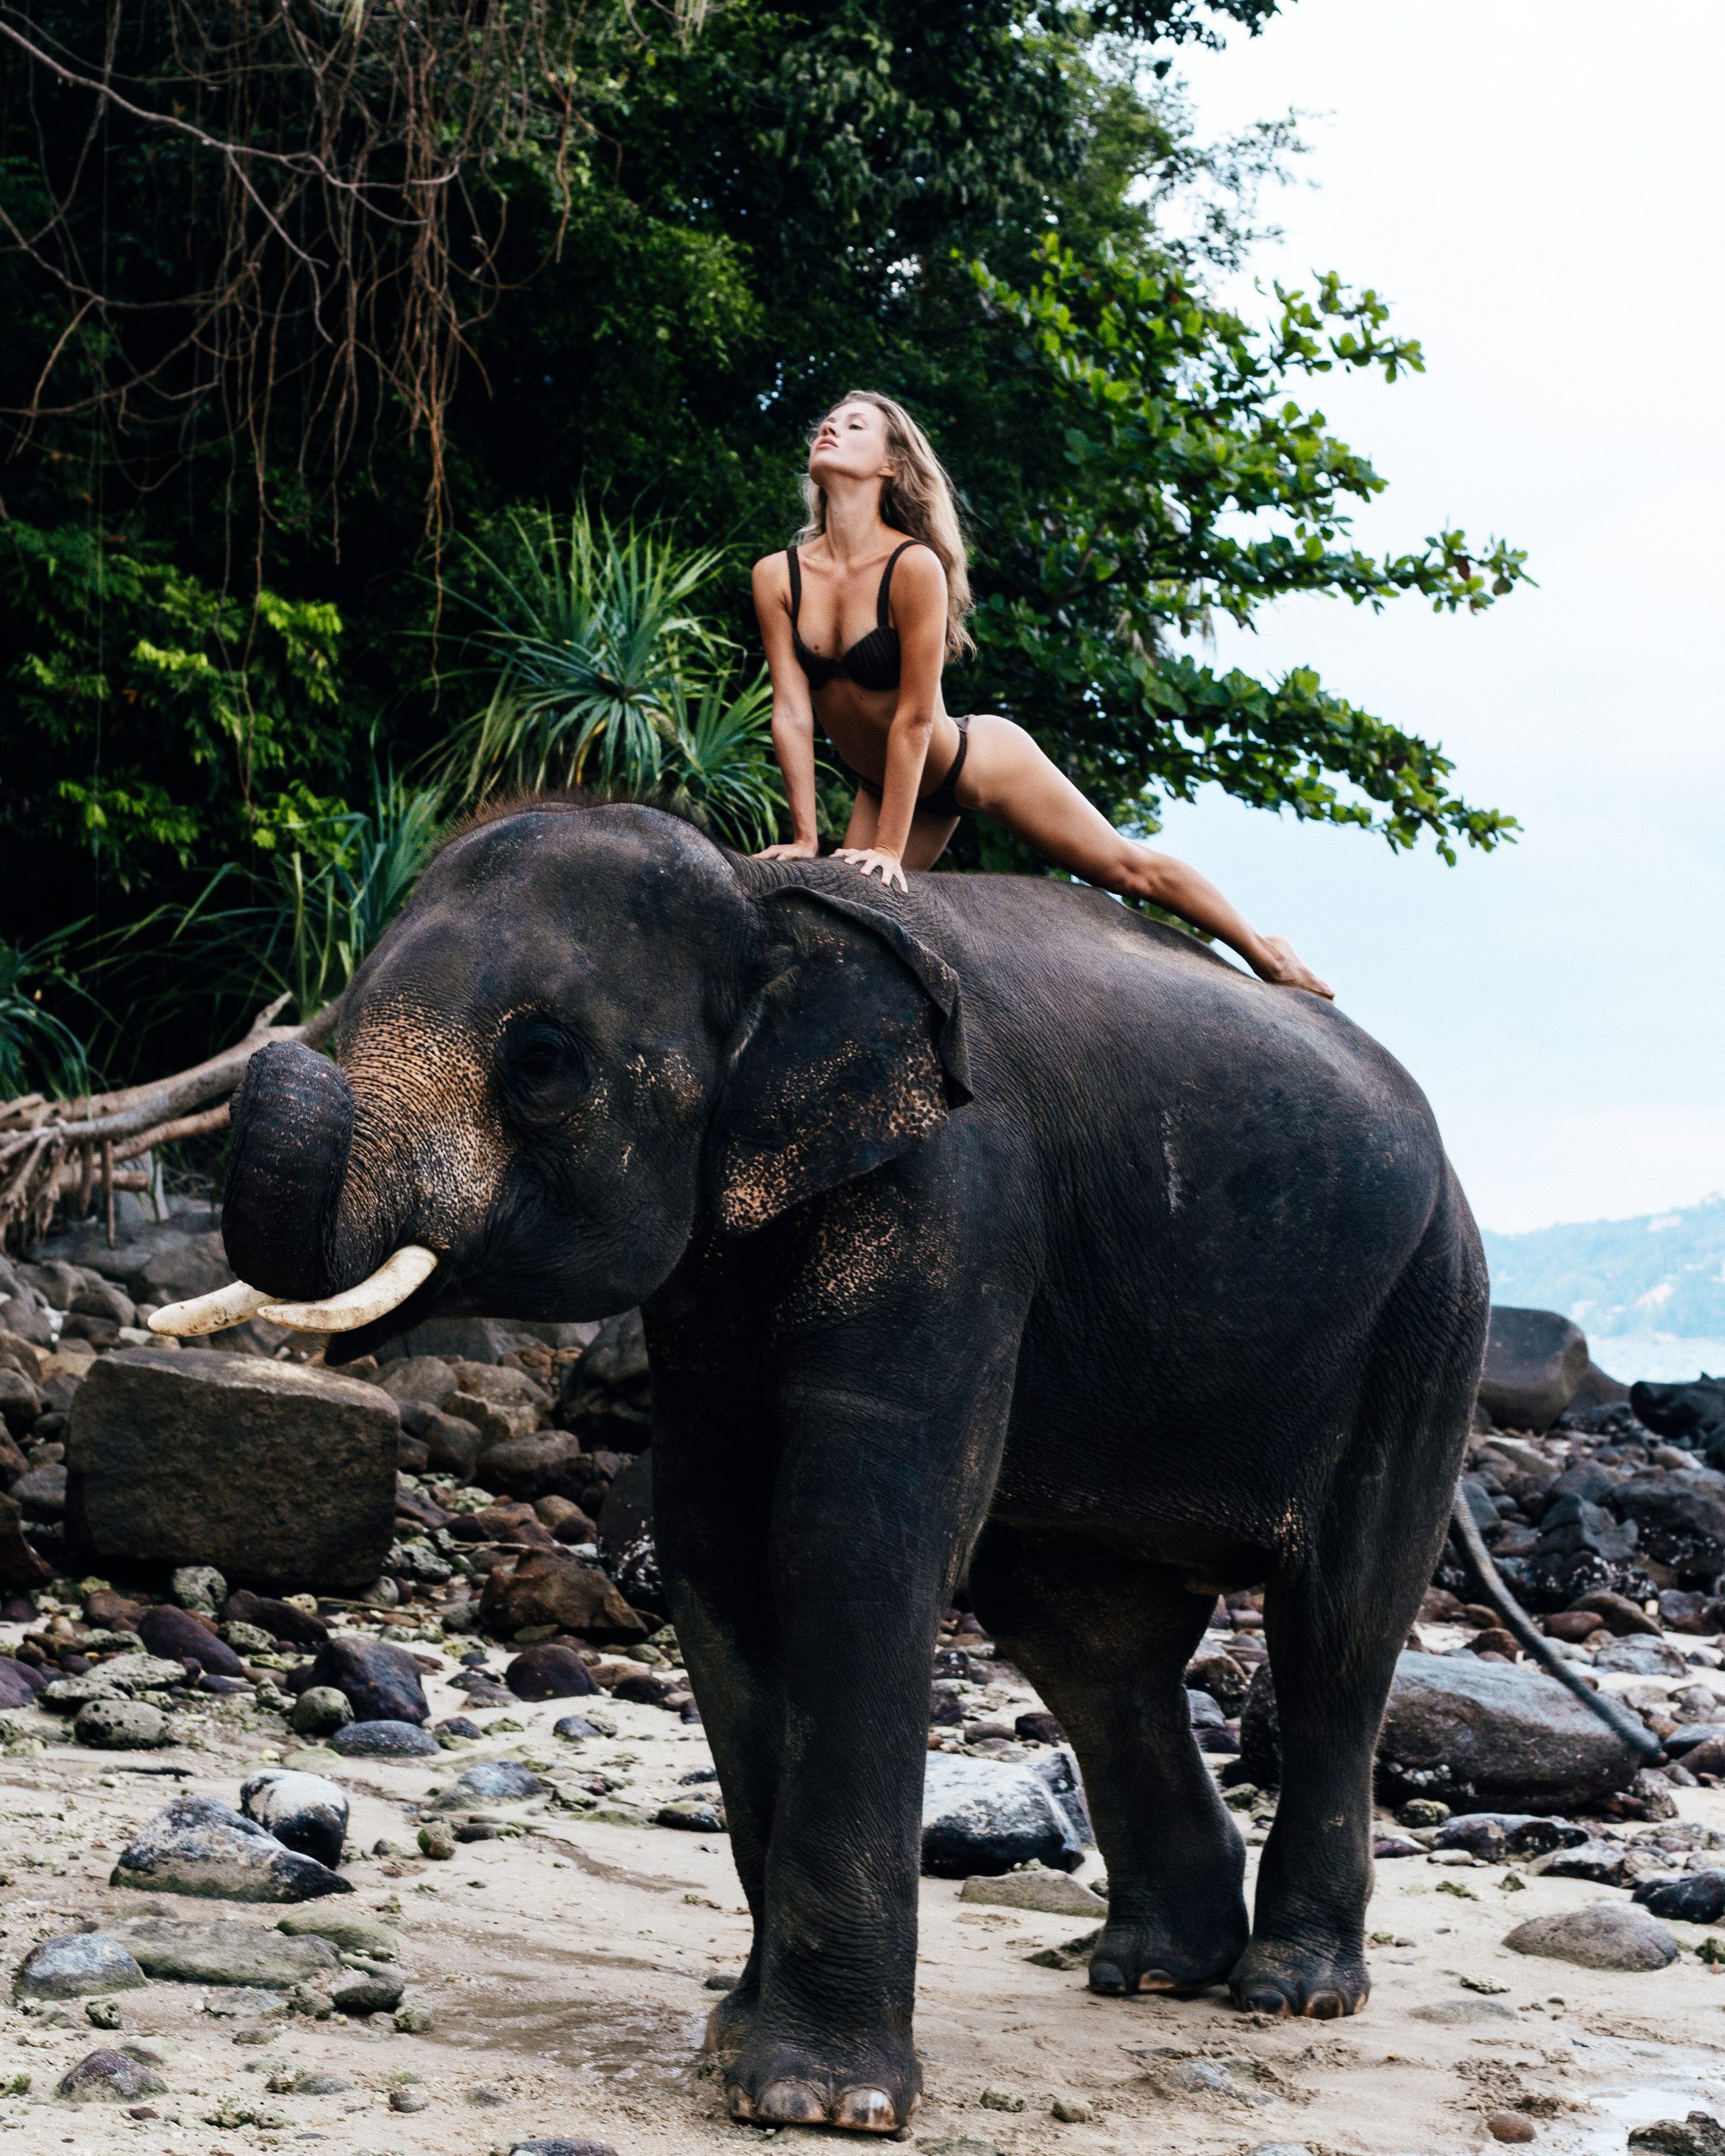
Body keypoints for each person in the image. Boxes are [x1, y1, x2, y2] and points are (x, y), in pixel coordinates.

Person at [751, 390, 1334, 1000]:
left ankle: (1269, 954)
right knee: (832, 931)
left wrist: (887, 851)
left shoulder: (912, 566)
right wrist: (805, 838)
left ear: (890, 464)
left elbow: (917, 718)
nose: (829, 430)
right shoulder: (778, 575)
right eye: (827, 422)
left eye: (854, 426)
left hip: (972, 761)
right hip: (886, 782)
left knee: (1125, 869)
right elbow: (791, 712)